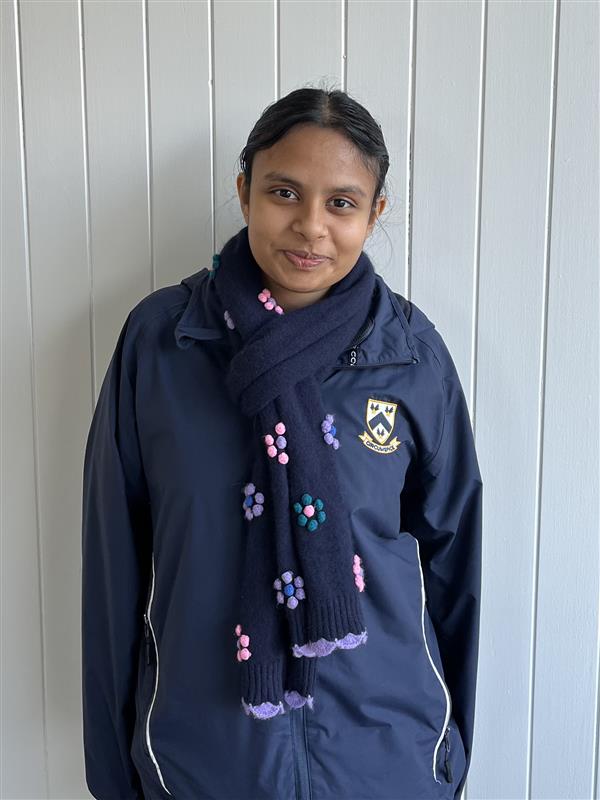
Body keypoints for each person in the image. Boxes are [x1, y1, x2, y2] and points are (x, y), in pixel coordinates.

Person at [81, 86, 483, 800]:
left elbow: (455, 570)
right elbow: (114, 565)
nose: (310, 227)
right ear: (244, 191)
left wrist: (447, 754)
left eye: (341, 203)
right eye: (284, 192)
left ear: (374, 214)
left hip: (387, 755)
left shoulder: (410, 356)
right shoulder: (164, 344)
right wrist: (115, 775)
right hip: (204, 758)